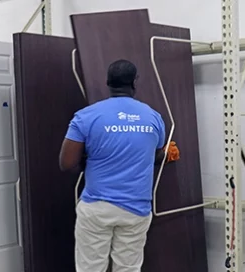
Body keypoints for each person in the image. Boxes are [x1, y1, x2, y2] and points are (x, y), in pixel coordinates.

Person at [59, 59, 178, 272]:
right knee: (129, 268)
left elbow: (66, 163)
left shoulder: (86, 116)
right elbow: (154, 155)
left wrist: (89, 159)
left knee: (90, 268)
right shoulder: (153, 117)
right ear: (134, 82)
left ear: (108, 82)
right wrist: (166, 155)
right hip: (136, 209)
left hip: (97, 206)